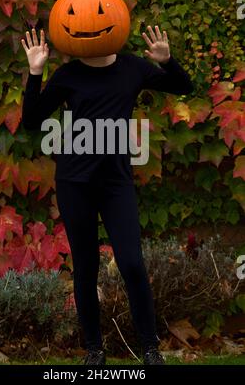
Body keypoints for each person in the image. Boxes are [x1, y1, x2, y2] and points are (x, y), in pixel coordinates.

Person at [21, 26, 194, 365]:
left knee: (131, 262)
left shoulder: (132, 68)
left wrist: (167, 61)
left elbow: (184, 87)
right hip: (75, 182)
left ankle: (149, 348)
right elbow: (31, 120)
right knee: (86, 266)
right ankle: (94, 350)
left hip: (116, 183)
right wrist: (35, 72)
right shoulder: (68, 74)